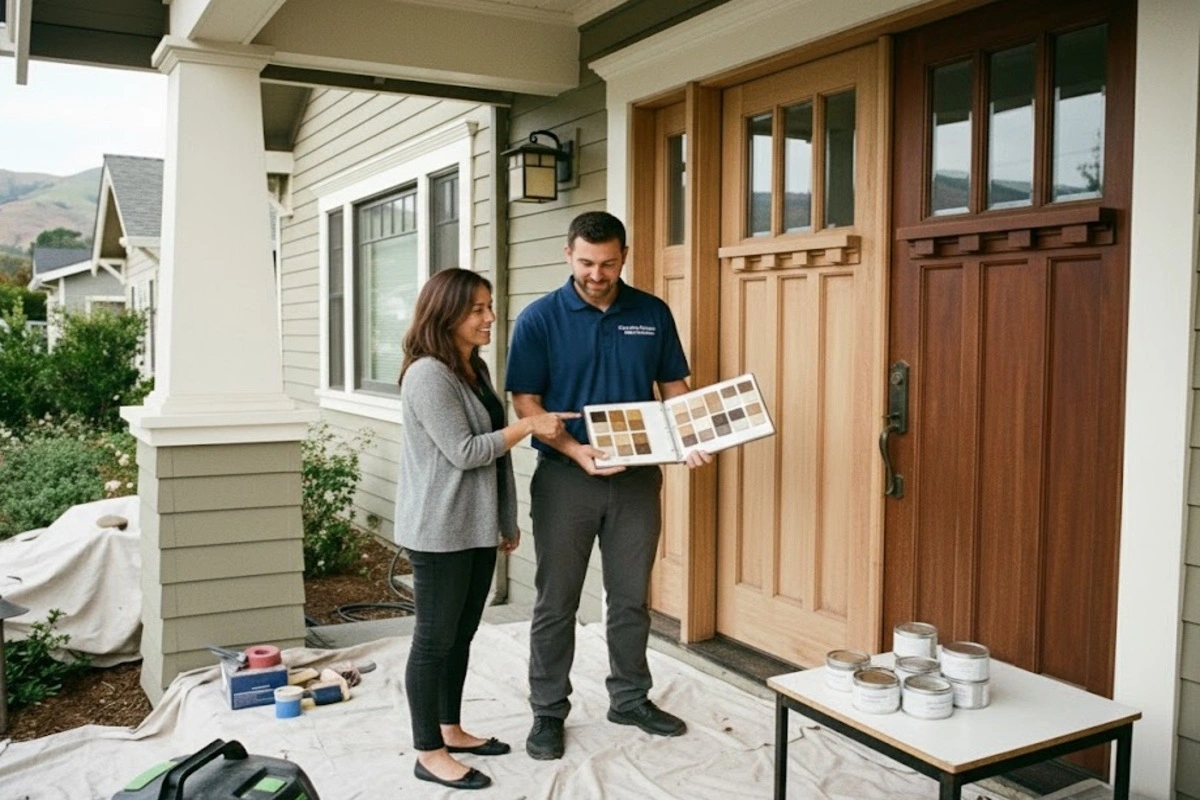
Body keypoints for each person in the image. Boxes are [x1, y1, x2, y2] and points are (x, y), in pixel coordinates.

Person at [505, 211, 713, 761]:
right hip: (565, 478)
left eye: (608, 263)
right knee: (557, 601)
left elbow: (673, 386)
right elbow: (526, 401)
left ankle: (630, 699)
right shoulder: (539, 318)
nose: (597, 274)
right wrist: (574, 450)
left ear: (625, 256)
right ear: (568, 255)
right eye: (586, 263)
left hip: (638, 479)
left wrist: (691, 435)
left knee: (630, 598)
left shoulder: (651, 312)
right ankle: (548, 711)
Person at [396, 268, 576, 790]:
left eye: (489, 306)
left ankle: (449, 728)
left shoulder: (469, 368)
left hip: (474, 527)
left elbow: (494, 457)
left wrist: (504, 518)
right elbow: (466, 451)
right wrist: (530, 424)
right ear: (446, 313)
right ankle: (428, 752)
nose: (490, 317)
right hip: (439, 529)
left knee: (461, 635)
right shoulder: (428, 375)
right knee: (433, 641)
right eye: (477, 309)